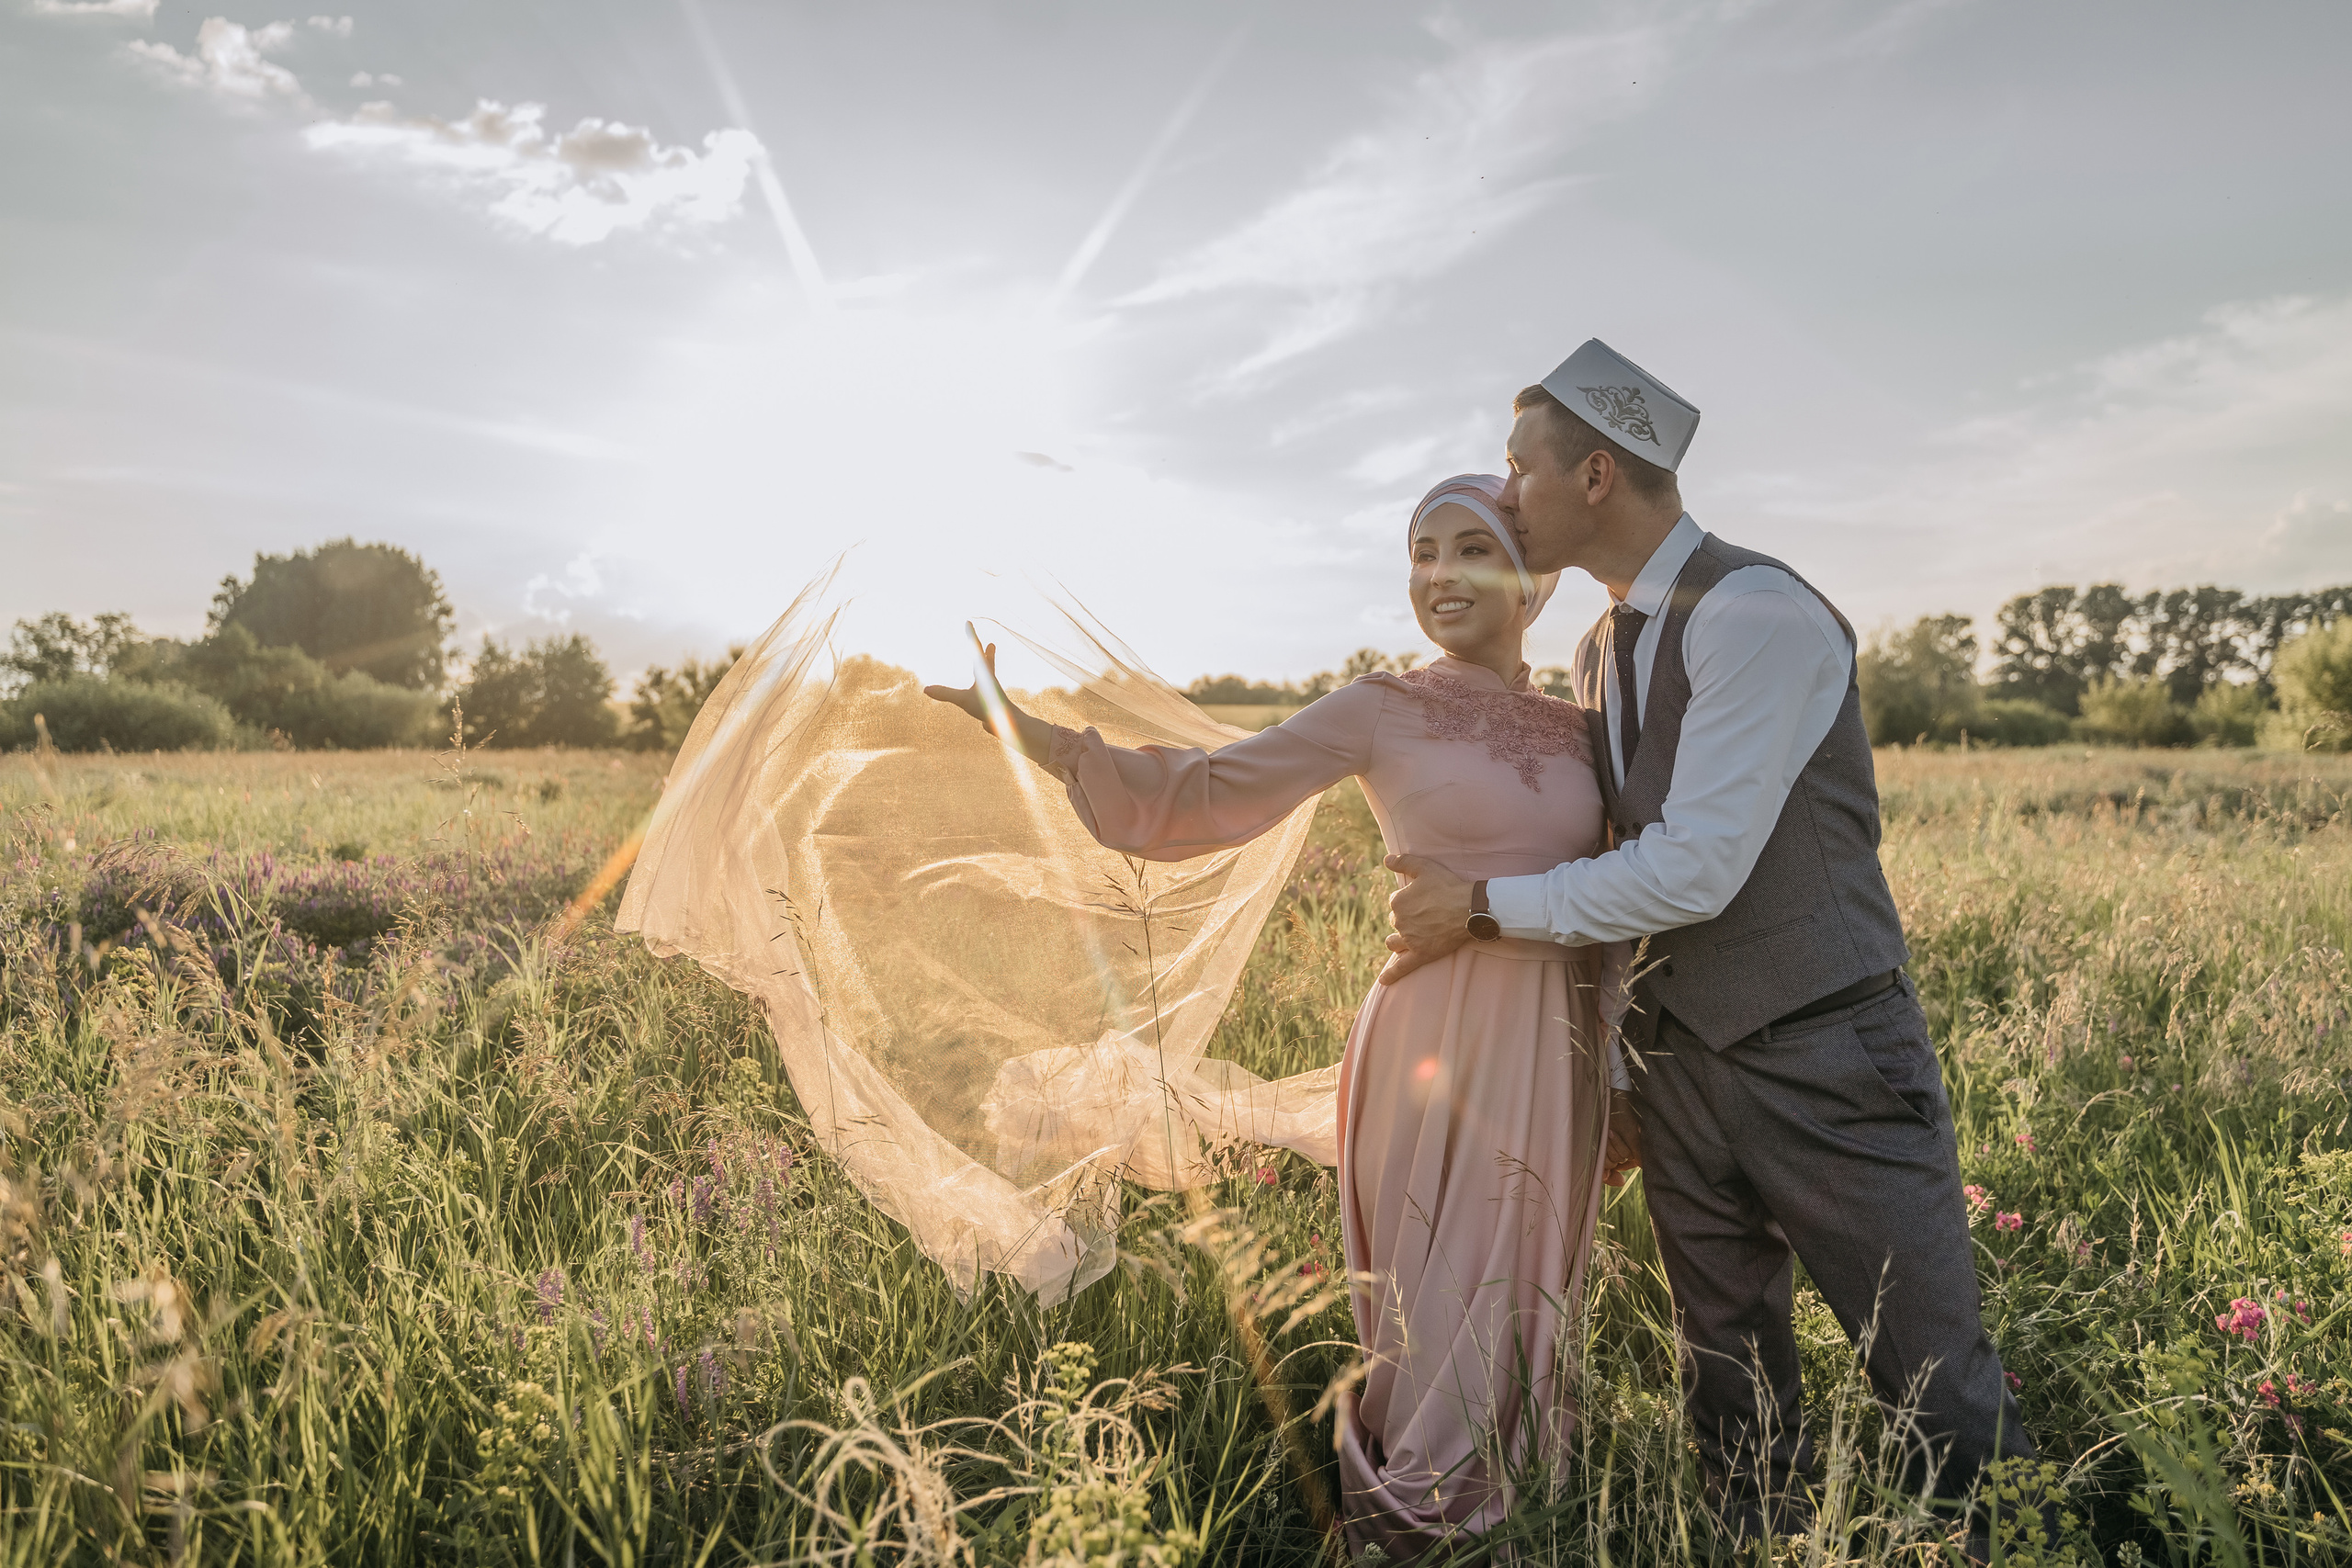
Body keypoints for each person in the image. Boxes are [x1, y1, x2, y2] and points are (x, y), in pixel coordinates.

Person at [1383, 341, 2035, 1546]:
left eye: (1521, 468)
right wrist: (1621, 1069)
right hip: (1679, 1064)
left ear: (1594, 476)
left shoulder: (1758, 613)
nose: (1505, 493)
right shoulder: (1600, 645)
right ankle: (1758, 1542)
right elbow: (1621, 849)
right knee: (1727, 1378)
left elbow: (1693, 866)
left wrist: (1475, 905)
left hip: (1826, 1054)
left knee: (1933, 1373)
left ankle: (2009, 1543)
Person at [928, 475, 1636, 1562]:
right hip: (1430, 1040)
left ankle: (1521, 1518)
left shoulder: (1585, 730)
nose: (1439, 575)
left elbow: (1632, 891)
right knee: (1436, 1307)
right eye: (1422, 554)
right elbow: (1206, 791)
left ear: (1531, 581)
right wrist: (1028, 731)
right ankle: (1413, 1528)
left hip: (1556, 1052)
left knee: (1528, 1298)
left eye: (1470, 550)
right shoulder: (1380, 707)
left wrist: (1627, 1075)